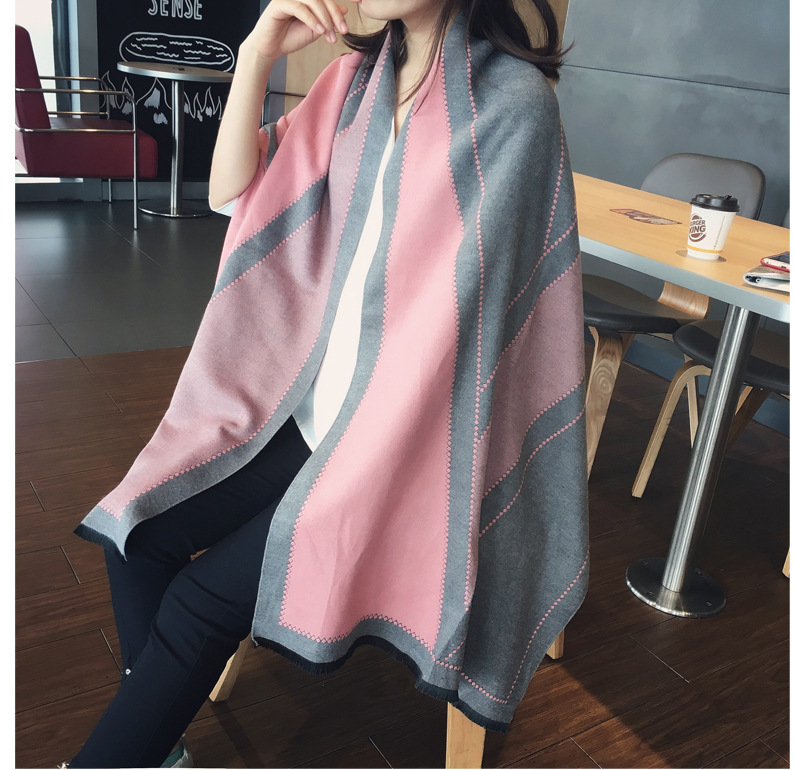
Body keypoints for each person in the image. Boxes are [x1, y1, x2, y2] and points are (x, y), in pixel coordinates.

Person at [63, 0, 588, 766]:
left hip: (393, 448)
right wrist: (256, 54)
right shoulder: (353, 83)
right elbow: (231, 194)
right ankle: (154, 743)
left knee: (198, 607)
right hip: (303, 416)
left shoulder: (515, 108)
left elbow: (484, 341)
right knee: (135, 536)